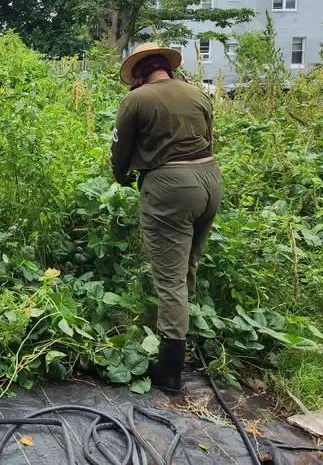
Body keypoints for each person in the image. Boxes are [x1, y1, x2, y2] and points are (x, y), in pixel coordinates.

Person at [109, 42, 222, 395]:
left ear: (140, 73)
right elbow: (208, 139)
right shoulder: (198, 93)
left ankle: (170, 371)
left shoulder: (137, 99)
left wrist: (122, 176)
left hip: (171, 187)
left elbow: (120, 150)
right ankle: (185, 339)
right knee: (187, 266)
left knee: (170, 278)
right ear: (166, 67)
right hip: (210, 180)